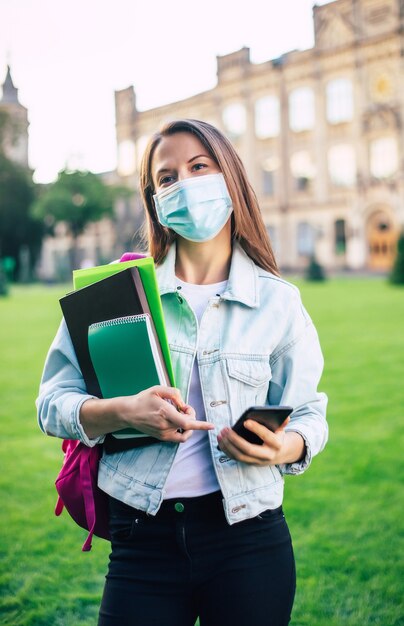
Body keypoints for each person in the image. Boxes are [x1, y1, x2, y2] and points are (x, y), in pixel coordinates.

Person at [37, 119, 328, 626]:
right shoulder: (111, 292)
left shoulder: (278, 302)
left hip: (249, 539)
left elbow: (309, 412)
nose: (185, 185)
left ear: (229, 176)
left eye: (199, 167)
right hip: (141, 543)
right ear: (154, 200)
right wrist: (119, 412)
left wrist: (286, 447)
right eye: (167, 178)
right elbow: (51, 402)